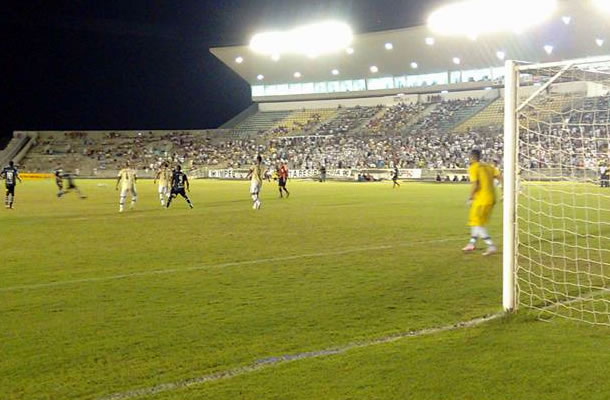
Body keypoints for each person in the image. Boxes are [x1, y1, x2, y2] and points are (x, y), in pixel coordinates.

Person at [463, 149, 498, 256]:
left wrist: (470, 197)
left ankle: (491, 245)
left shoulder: (473, 167)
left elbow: (476, 184)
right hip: (491, 198)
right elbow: (500, 177)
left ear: (472, 157)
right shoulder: (488, 166)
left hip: (481, 200)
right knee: (476, 222)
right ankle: (471, 243)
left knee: (477, 223)